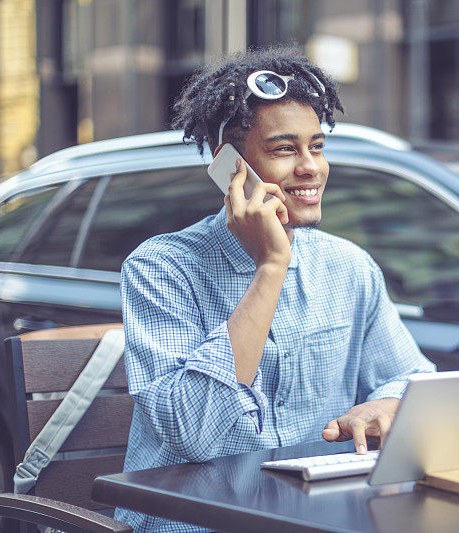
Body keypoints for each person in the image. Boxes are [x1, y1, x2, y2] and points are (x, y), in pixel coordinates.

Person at [115, 44, 435, 532]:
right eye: (285, 149)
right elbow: (196, 434)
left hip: (314, 518)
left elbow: (414, 378)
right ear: (229, 167)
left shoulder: (348, 266)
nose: (311, 167)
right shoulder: (162, 269)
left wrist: (385, 404)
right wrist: (270, 267)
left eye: (318, 146)